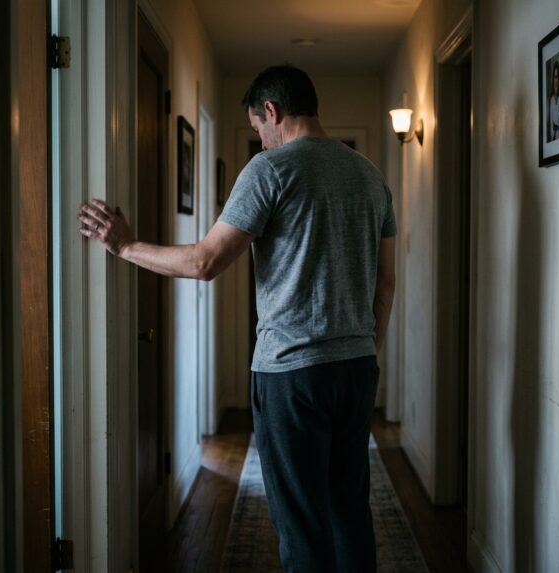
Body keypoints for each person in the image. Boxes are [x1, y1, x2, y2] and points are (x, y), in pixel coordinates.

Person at [78, 64, 396, 573]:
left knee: (301, 523)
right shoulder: (371, 176)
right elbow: (385, 283)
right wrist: (366, 348)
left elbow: (205, 263)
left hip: (291, 373)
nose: (262, 140)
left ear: (272, 111)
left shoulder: (270, 170)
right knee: (349, 511)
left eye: (258, 128)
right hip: (357, 365)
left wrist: (125, 245)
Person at [549, 61, 559, 141]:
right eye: (555, 77)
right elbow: (551, 120)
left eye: (557, 77)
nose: (556, 79)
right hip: (554, 132)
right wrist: (552, 135)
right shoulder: (551, 98)